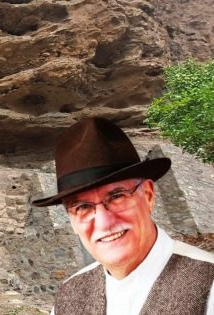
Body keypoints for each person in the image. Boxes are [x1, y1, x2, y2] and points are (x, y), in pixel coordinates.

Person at [31, 118, 214, 315]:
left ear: (149, 195)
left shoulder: (209, 284)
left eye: (117, 197)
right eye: (83, 207)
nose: (104, 222)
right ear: (72, 221)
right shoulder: (67, 297)